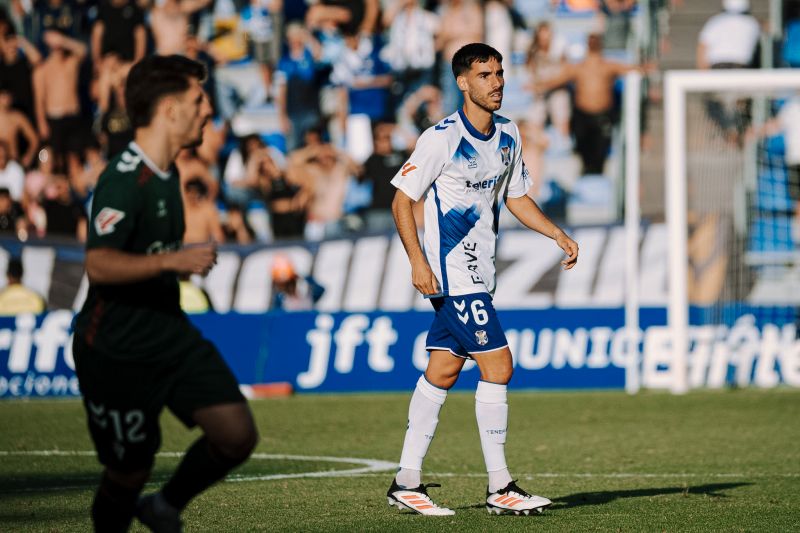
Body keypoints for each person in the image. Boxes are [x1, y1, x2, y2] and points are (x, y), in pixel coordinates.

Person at [387, 43, 579, 516]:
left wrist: (556, 233)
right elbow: (401, 200)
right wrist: (417, 261)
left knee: (443, 371)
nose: (496, 82)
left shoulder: (509, 133)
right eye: (484, 75)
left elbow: (516, 197)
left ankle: (406, 481)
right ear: (462, 82)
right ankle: (501, 486)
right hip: (453, 276)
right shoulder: (442, 139)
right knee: (499, 366)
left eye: (499, 73)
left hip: (480, 273)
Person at [71, 55, 257, 532]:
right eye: (198, 99)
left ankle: (164, 506)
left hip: (168, 333)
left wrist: (170, 263)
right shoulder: (123, 179)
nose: (208, 109)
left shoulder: (169, 172)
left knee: (236, 434)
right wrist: (171, 261)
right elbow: (99, 264)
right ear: (171, 110)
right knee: (128, 471)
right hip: (115, 347)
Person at [536, 33, 640, 175]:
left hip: (603, 116)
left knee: (600, 155)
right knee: (584, 153)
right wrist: (537, 85)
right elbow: (555, 81)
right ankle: (586, 174)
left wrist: (647, 68)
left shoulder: (608, 66)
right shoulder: (579, 67)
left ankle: (597, 176)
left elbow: (632, 70)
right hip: (582, 117)